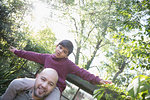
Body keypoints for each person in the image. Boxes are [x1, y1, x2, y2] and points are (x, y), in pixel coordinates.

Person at [2, 40, 111, 100]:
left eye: (64, 51)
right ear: (56, 46)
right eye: (60, 47)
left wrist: (99, 80)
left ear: (66, 55)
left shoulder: (68, 64)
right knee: (16, 83)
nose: (60, 51)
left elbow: (82, 72)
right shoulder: (47, 57)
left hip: (56, 88)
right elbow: (32, 55)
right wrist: (17, 52)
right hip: (41, 82)